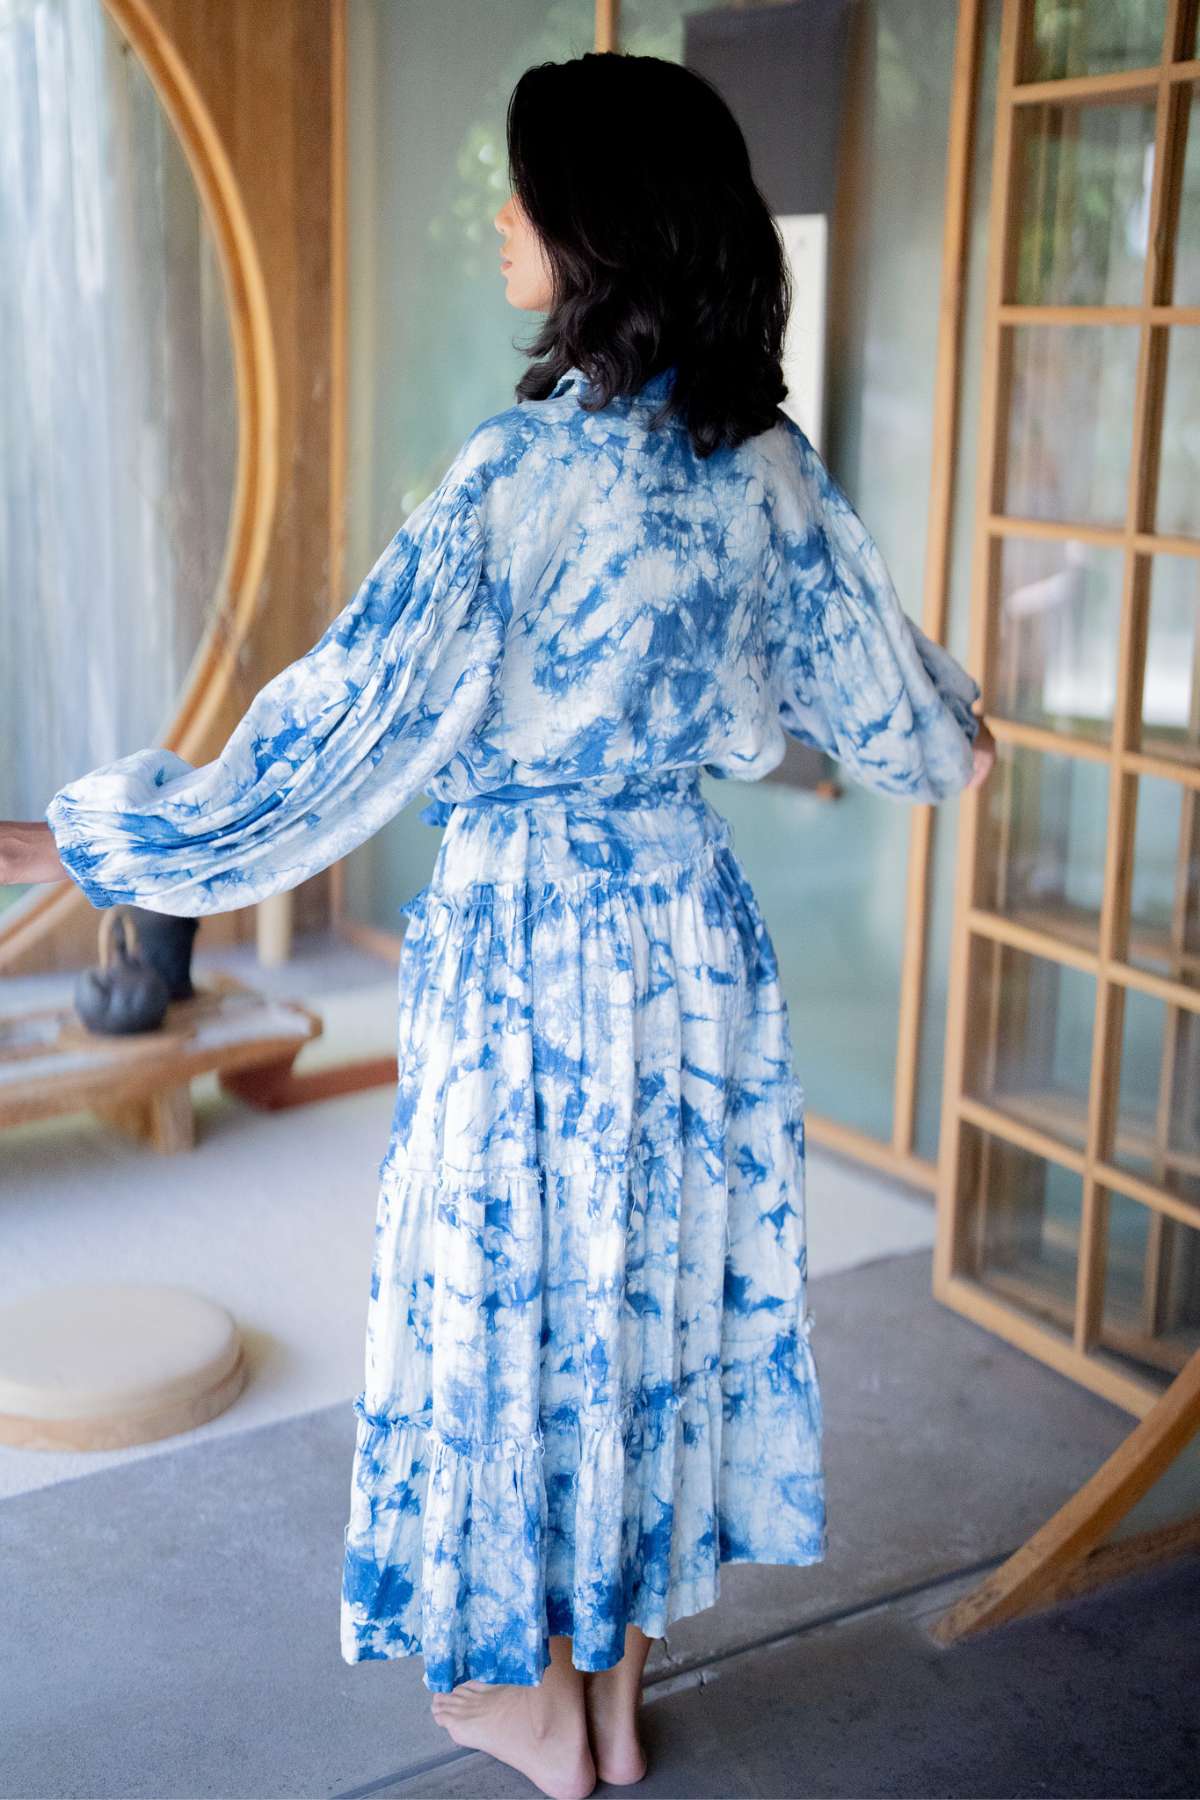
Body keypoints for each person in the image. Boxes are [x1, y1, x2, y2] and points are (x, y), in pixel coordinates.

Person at [2, 49, 995, 1800]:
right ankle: (604, 1695)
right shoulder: (764, 463)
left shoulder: (515, 475)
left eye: (524, 191)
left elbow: (328, 741)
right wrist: (969, 713)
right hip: (688, 943)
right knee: (632, 1311)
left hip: (534, 946)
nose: (498, 214)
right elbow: (914, 733)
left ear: (593, 225)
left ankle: (539, 1710)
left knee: (514, 1313)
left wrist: (87, 838)